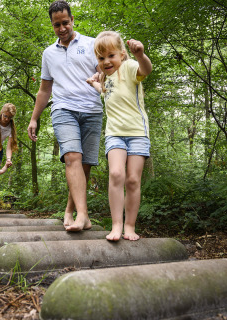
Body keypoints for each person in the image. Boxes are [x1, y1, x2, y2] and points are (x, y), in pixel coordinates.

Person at [27, 0, 103, 232]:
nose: (62, 28)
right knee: (72, 158)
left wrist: (102, 77)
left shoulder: (92, 44)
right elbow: (44, 90)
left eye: (65, 23)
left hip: (92, 110)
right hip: (63, 109)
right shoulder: (48, 53)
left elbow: (106, 70)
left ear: (72, 20)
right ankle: (83, 216)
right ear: (52, 25)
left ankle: (71, 212)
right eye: (56, 24)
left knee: (85, 165)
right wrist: (34, 118)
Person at [86, 31, 153, 241]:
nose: (106, 61)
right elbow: (105, 91)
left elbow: (146, 70)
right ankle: (116, 225)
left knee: (133, 180)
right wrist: (93, 83)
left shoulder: (130, 67)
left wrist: (141, 55)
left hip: (137, 133)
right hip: (114, 134)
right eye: (101, 58)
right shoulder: (105, 77)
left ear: (122, 54)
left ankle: (130, 227)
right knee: (116, 174)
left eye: (111, 55)